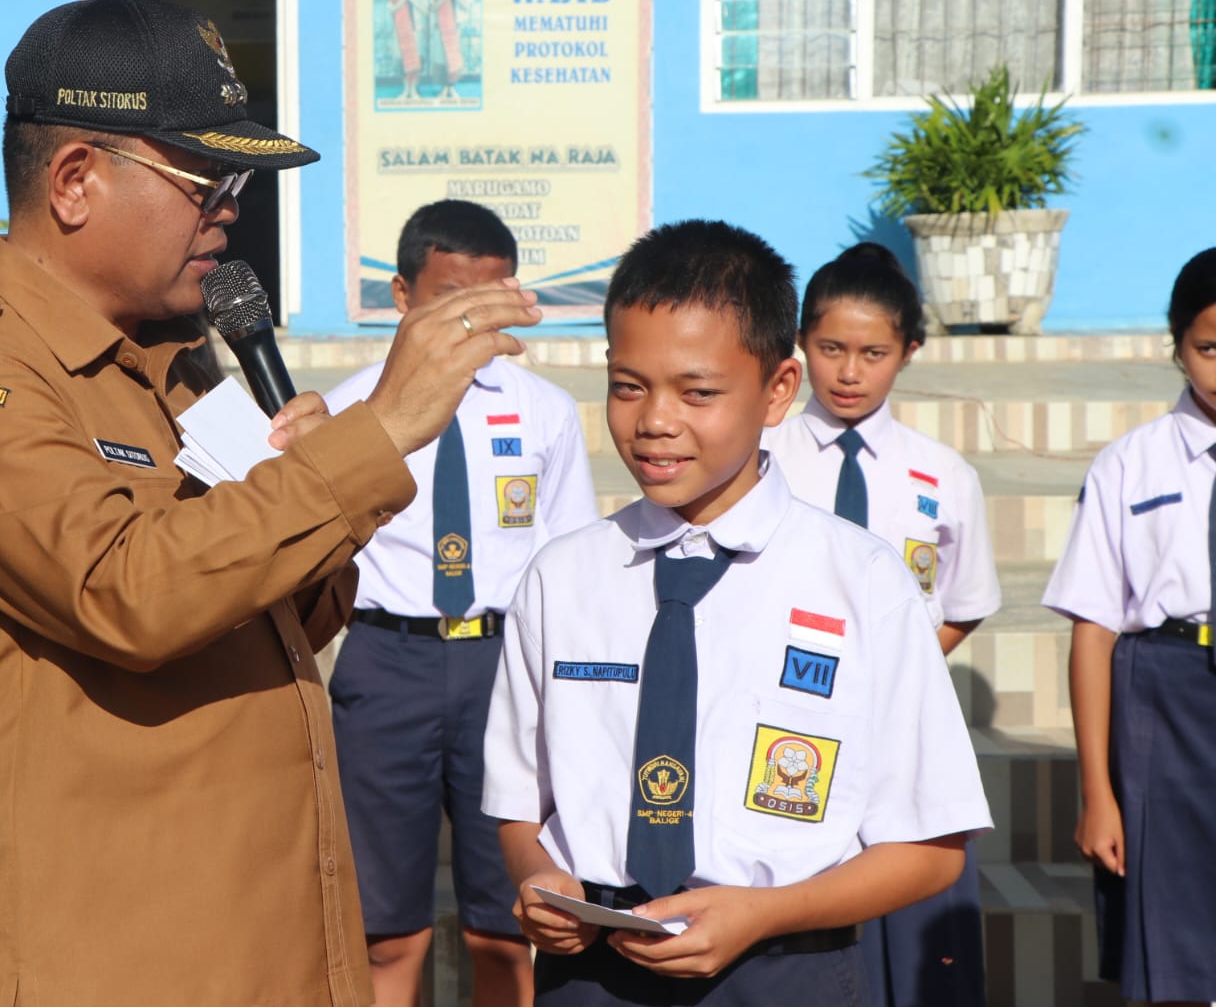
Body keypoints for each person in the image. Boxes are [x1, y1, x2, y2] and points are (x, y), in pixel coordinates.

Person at [0, 0, 541, 1007]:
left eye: (240, 181)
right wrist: (372, 438)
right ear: (74, 181)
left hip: (263, 949)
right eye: (208, 178)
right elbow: (129, 591)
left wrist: (311, 492)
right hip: (101, 964)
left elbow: (287, 619)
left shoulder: (182, 372)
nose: (232, 208)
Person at [481, 219, 992, 1005]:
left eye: (699, 393)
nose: (655, 420)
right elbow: (521, 804)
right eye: (628, 385)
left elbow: (932, 846)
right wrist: (540, 881)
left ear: (778, 390)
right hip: (590, 973)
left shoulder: (860, 580)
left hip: (787, 965)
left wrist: (766, 913)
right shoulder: (562, 577)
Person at [324, 199, 599, 1007]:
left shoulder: (543, 413)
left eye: (490, 299)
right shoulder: (348, 411)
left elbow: (569, 557)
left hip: (503, 667)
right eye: (450, 298)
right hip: (383, 662)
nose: (471, 319)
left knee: (506, 928)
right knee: (384, 932)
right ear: (404, 297)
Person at [761, 242, 1000, 1007]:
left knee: (909, 933)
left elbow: (963, 602)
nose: (850, 372)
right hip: (781, 717)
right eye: (831, 348)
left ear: (910, 352)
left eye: (873, 352)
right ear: (800, 344)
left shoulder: (942, 475)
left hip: (899, 728)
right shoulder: (759, 457)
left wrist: (895, 676)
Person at [1042, 247, 1216, 1006]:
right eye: (1211, 348)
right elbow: (1093, 630)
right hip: (1163, 695)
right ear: (1175, 344)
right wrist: (1096, 792)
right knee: (1170, 925)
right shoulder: (1128, 466)